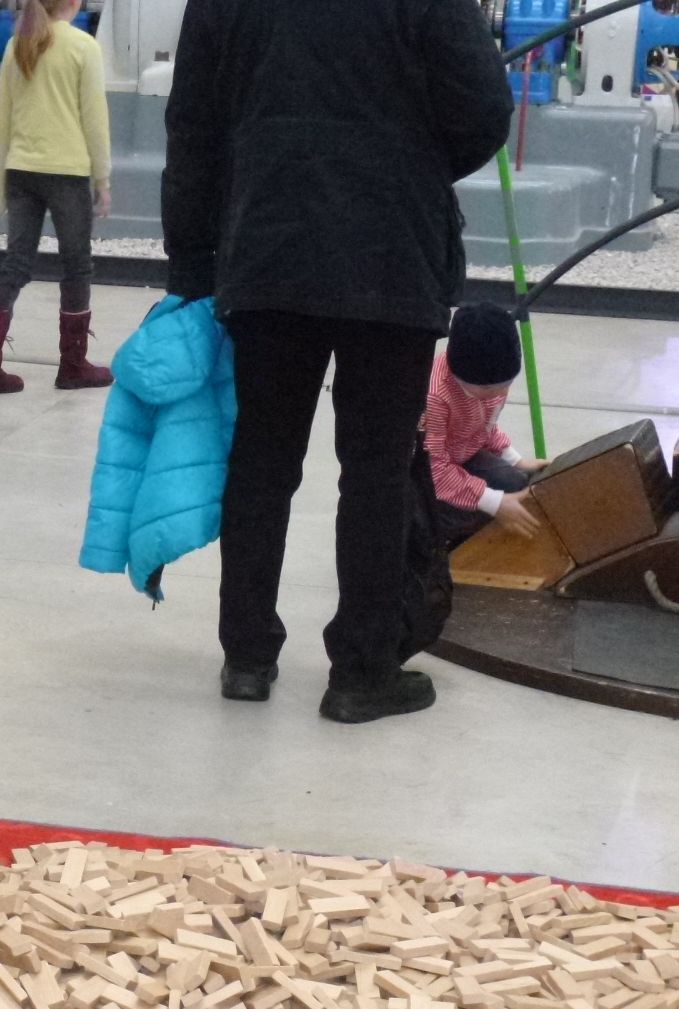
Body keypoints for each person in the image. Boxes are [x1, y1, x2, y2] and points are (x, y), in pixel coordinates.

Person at [162, 0, 513, 723]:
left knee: (261, 460)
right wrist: (410, 160)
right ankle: (362, 670)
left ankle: (247, 657)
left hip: (267, 241)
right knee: (377, 471)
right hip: (391, 249)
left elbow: (193, 123)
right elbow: (483, 108)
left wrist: (192, 262)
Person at [0, 0, 114, 396]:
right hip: (67, 173)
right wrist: (103, 179)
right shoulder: (83, 47)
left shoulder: (18, 43)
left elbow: (2, 123)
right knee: (77, 266)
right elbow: (95, 119)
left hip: (21, 171)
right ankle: (73, 364)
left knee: (16, 264)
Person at [424, 302, 548, 549]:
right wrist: (494, 503)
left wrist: (516, 461)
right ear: (459, 375)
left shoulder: (491, 385)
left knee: (515, 485)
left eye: (507, 383)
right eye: (489, 388)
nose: (500, 393)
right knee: (480, 512)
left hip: (462, 455)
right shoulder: (435, 397)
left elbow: (485, 427)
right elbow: (433, 469)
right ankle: (439, 542)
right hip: (425, 472)